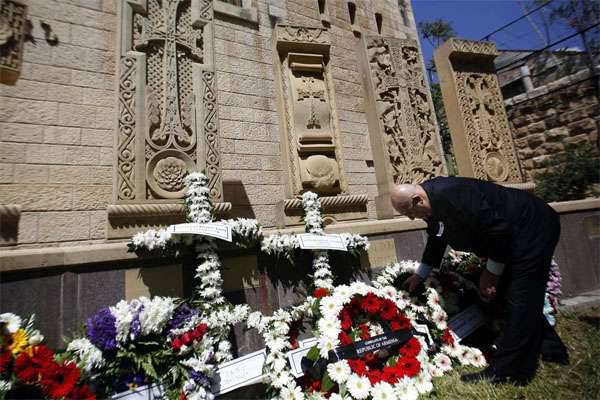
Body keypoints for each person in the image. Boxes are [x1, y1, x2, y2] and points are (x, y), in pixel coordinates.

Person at [390, 176, 569, 385]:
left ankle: (509, 371)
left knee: (521, 297)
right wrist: (420, 274)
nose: (411, 219)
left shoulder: (453, 194)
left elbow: (499, 229)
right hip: (512, 237)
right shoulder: (432, 203)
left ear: (417, 199)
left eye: (410, 213)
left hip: (531, 229)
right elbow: (437, 237)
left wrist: (491, 273)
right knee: (515, 296)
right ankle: (552, 350)